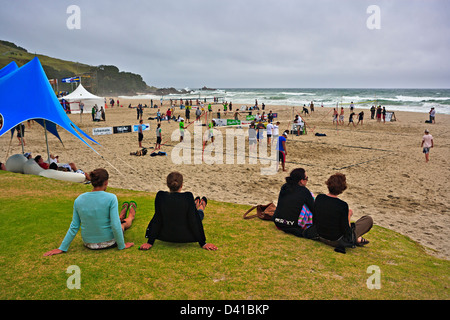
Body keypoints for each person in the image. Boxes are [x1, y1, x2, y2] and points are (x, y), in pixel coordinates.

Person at [44, 168, 136, 256]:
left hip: (88, 244)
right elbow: (115, 225)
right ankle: (130, 215)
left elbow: (74, 226)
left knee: (117, 221)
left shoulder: (79, 199)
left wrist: (62, 247)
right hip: (109, 242)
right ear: (106, 182)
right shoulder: (111, 198)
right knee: (122, 224)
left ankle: (123, 214)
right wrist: (121, 245)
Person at [139, 172, 217, 251]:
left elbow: (157, 219)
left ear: (167, 184)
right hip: (186, 236)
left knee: (193, 213)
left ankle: (197, 206)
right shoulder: (188, 196)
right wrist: (203, 243)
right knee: (198, 215)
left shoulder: (160, 196)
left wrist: (150, 242)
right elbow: (193, 220)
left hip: (165, 235)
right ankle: (200, 208)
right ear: (182, 185)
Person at [313, 173, 373, 252]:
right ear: (342, 188)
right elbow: (346, 232)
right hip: (335, 240)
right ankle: (356, 238)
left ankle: (357, 238)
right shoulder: (342, 205)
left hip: (319, 235)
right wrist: (349, 215)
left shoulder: (320, 198)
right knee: (368, 220)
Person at [272, 168, 317, 239]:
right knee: (310, 198)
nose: (307, 180)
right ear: (301, 181)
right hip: (292, 225)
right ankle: (309, 224)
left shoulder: (285, 186)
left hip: (277, 222)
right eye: (306, 178)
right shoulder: (304, 191)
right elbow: (314, 209)